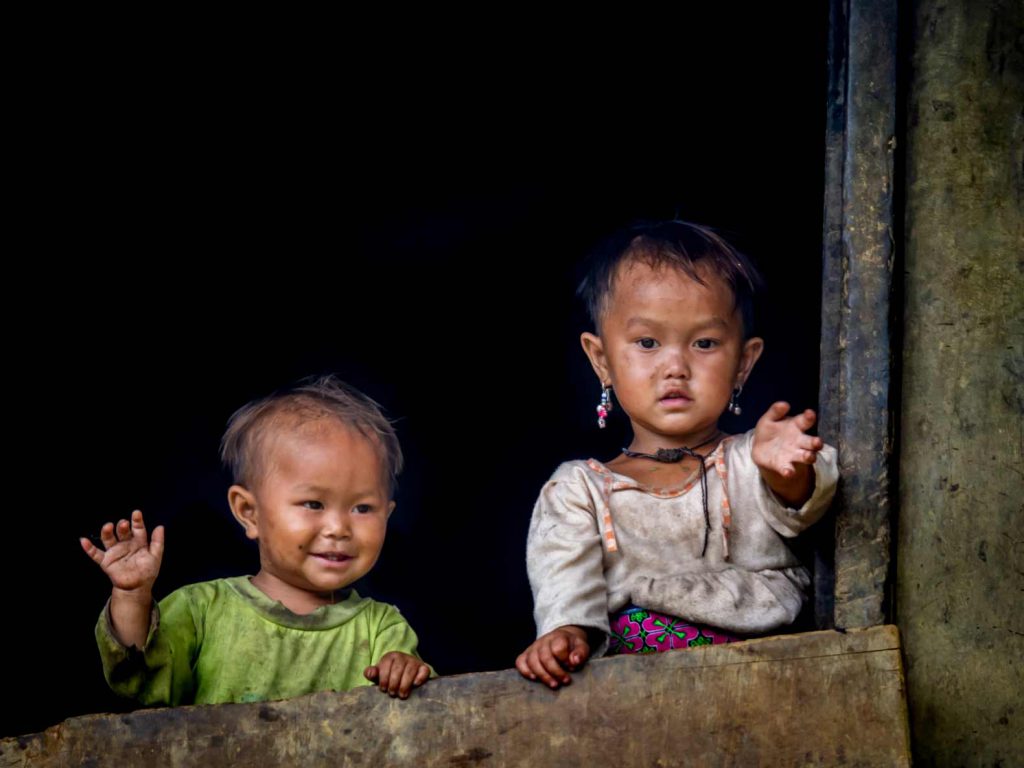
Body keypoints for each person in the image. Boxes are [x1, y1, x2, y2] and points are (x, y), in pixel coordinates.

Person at [516, 221, 838, 688]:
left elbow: (806, 501)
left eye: (704, 343)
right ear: (601, 359)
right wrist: (565, 632)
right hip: (637, 687)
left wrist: (788, 470)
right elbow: (566, 583)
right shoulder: (579, 490)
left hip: (770, 673)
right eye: (647, 343)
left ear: (743, 362)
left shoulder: (755, 458)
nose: (675, 367)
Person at [81, 375, 431, 704]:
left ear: (387, 513)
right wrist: (131, 596)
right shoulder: (203, 609)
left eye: (363, 508)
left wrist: (404, 672)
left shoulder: (382, 629)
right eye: (314, 504)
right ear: (250, 512)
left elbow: (418, 714)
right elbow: (137, 678)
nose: (339, 528)